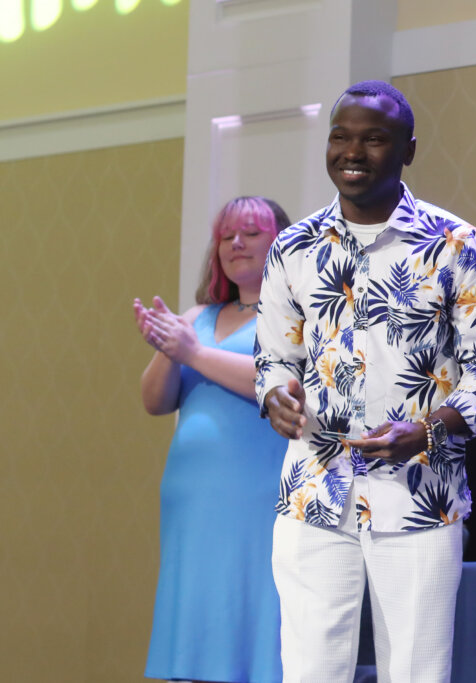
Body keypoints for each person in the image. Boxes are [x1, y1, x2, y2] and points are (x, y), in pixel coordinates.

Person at [254, 80, 476, 682]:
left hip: (420, 497)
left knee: (418, 672)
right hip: (313, 495)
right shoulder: (293, 249)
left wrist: (427, 429)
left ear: (409, 150)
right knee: (310, 671)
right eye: (341, 137)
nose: (353, 152)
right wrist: (275, 395)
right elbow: (274, 357)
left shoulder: (458, 245)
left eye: (374, 139)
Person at [134, 196, 291, 683]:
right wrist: (169, 348)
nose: (236, 244)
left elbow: (282, 386)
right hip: (191, 501)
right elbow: (155, 401)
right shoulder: (198, 314)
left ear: (280, 242)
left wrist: (193, 352)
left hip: (255, 497)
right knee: (196, 623)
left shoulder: (294, 314)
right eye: (226, 236)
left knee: (250, 620)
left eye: (251, 233)